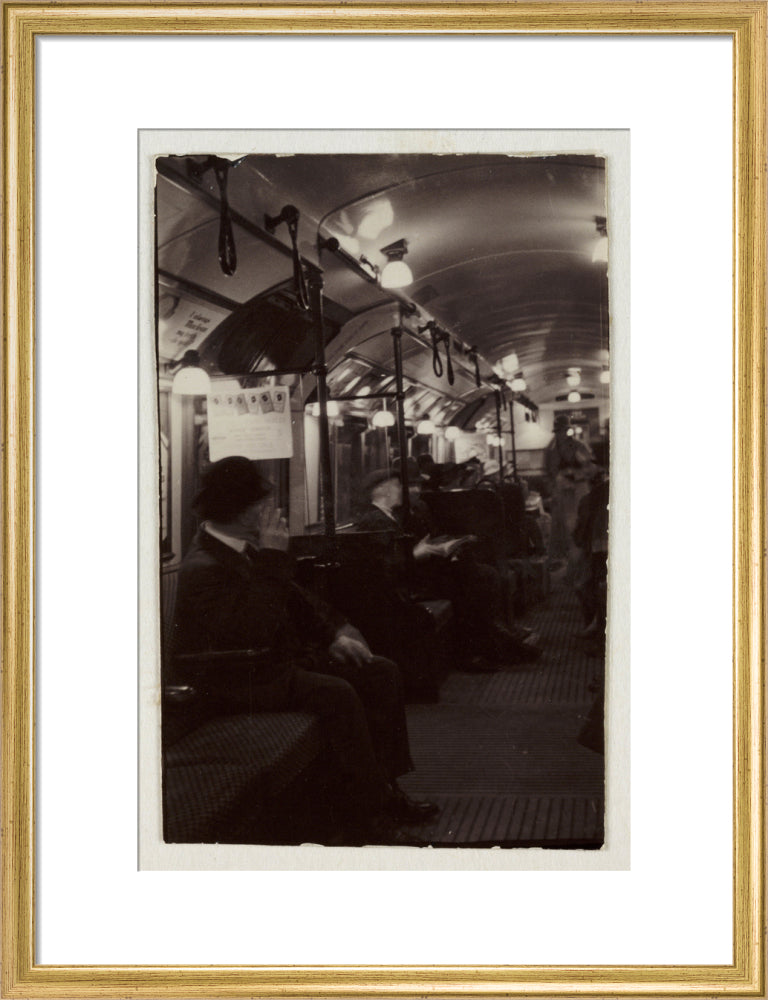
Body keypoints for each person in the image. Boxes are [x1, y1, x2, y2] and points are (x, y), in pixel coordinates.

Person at [171, 456, 438, 844]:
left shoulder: (240, 548)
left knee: (380, 672)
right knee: (338, 693)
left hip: (269, 665)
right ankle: (366, 814)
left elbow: (296, 600)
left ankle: (386, 790)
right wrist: (274, 557)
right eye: (260, 505)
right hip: (237, 678)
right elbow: (253, 631)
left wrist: (332, 637)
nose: (269, 512)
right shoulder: (205, 565)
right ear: (240, 510)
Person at [355, 468, 542, 668]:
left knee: (476, 576)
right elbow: (385, 563)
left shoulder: (390, 516)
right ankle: (483, 649)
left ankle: (494, 644)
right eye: (397, 485)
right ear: (383, 490)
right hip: (403, 588)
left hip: (412, 578)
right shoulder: (374, 521)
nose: (402, 489)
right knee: (472, 582)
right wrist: (416, 553)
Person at [545, 414, 595, 563]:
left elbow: (591, 468)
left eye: (563, 430)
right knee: (561, 529)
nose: (560, 434)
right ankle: (566, 563)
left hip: (579, 491)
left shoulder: (580, 446)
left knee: (578, 525)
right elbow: (548, 474)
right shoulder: (550, 450)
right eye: (558, 431)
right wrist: (553, 490)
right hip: (561, 493)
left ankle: (581, 560)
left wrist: (575, 475)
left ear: (567, 431)